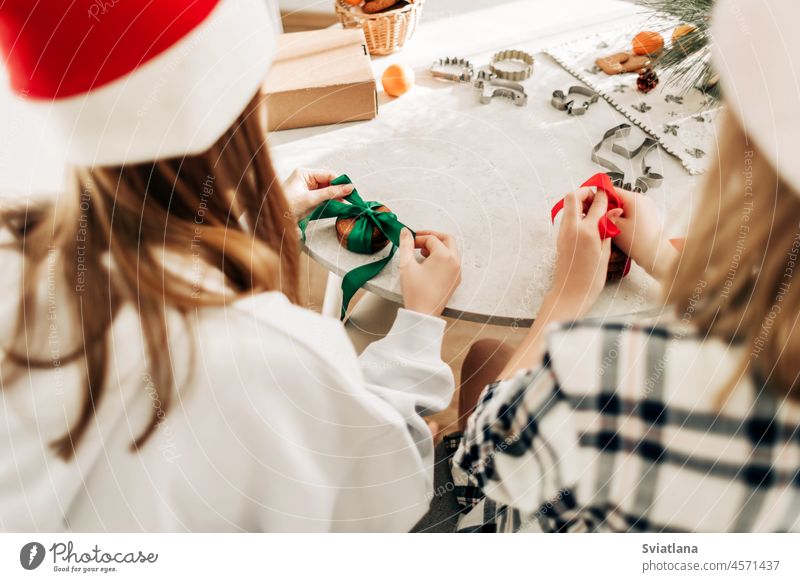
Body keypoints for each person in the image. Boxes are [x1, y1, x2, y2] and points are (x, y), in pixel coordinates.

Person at [0, 0, 461, 532]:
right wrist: (419, 328)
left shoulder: (18, 247)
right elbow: (385, 481)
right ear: (240, 115)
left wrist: (235, 227)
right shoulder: (264, 354)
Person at [449, 0, 800, 533]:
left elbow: (484, 456)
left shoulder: (608, 370)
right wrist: (660, 256)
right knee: (489, 353)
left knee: (484, 360)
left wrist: (566, 298)